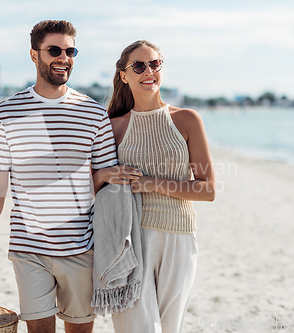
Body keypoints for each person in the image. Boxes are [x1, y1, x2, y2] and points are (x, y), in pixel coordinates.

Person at [0, 20, 119, 333]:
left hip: (81, 247)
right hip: (28, 247)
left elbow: (107, 181)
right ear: (35, 55)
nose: (64, 57)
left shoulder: (94, 113)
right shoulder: (5, 113)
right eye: (54, 50)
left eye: (70, 51)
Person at [93, 40, 216, 333]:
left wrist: (150, 183)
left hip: (179, 236)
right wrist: (104, 176)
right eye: (138, 65)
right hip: (130, 236)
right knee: (136, 328)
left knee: (170, 328)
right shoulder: (112, 126)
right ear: (124, 75)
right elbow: (91, 183)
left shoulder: (186, 120)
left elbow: (207, 189)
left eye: (154, 64)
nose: (148, 71)